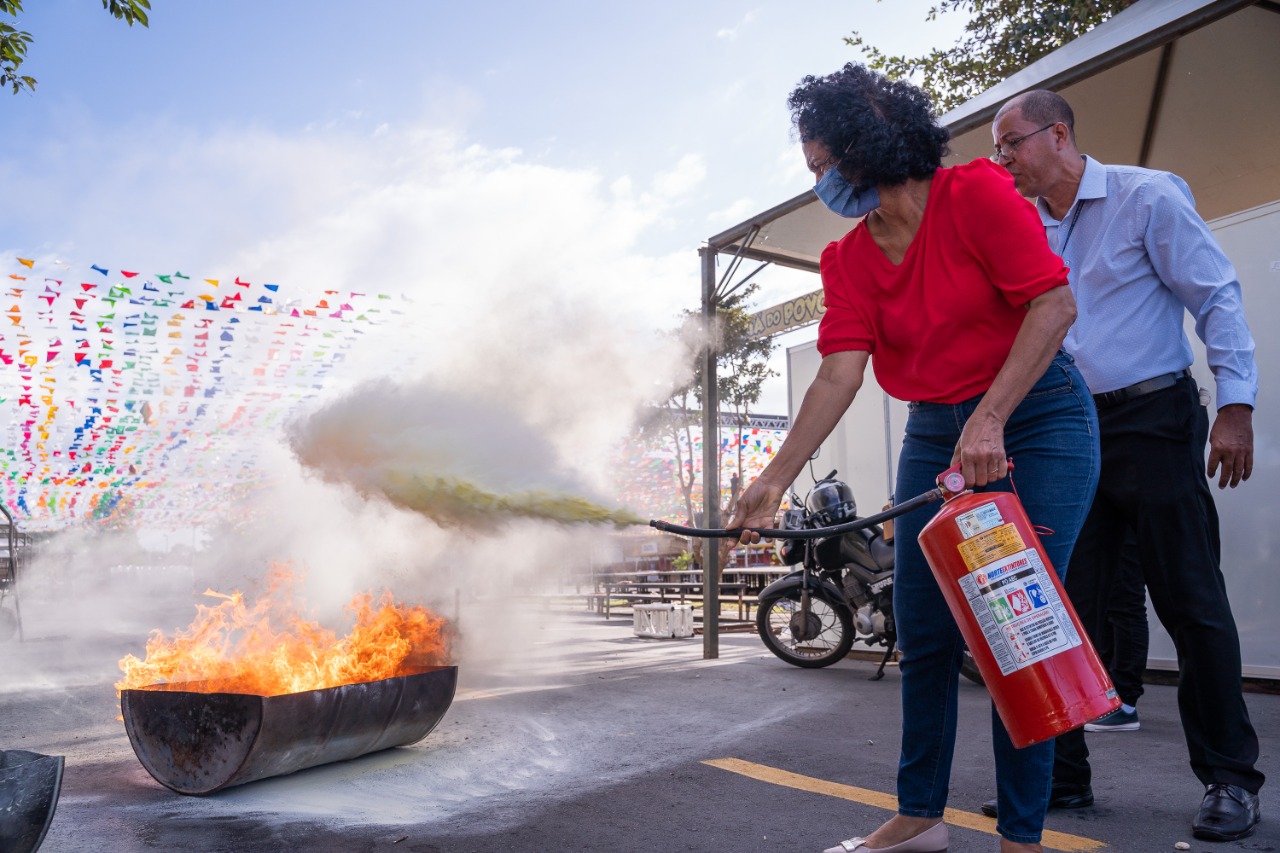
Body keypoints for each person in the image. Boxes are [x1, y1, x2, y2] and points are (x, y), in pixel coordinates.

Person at [727, 64, 1100, 853]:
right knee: (922, 627)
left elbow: (1054, 304)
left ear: (871, 148)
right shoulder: (848, 260)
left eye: (824, 166)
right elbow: (839, 371)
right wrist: (771, 480)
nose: (821, 183)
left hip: (1037, 418)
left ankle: (1021, 836)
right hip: (937, 432)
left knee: (1012, 627)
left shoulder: (976, 196)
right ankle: (919, 813)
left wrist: (993, 414)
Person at [988, 89, 1264, 842]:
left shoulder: (1147, 196)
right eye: (998, 146)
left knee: (1191, 600)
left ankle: (1231, 780)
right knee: (1060, 614)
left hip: (1154, 420)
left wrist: (1236, 404)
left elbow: (1215, 295)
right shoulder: (1022, 228)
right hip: (1064, 430)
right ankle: (1062, 778)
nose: (1002, 158)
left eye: (1011, 142)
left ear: (1059, 134)